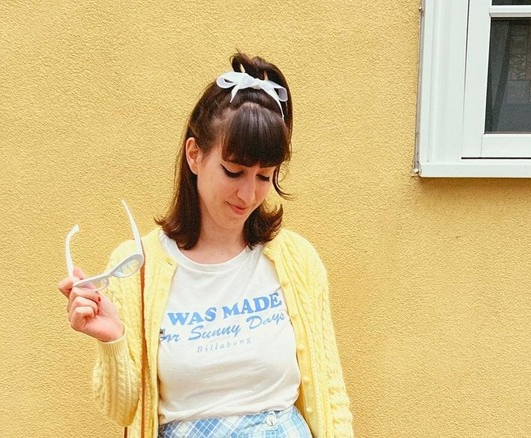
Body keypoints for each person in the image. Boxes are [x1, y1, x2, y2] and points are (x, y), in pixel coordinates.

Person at [58, 53, 353, 437]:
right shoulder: (138, 266)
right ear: (194, 154)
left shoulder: (296, 260)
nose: (248, 194)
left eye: (264, 176)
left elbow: (330, 392)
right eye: (233, 171)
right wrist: (112, 339)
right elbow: (122, 410)